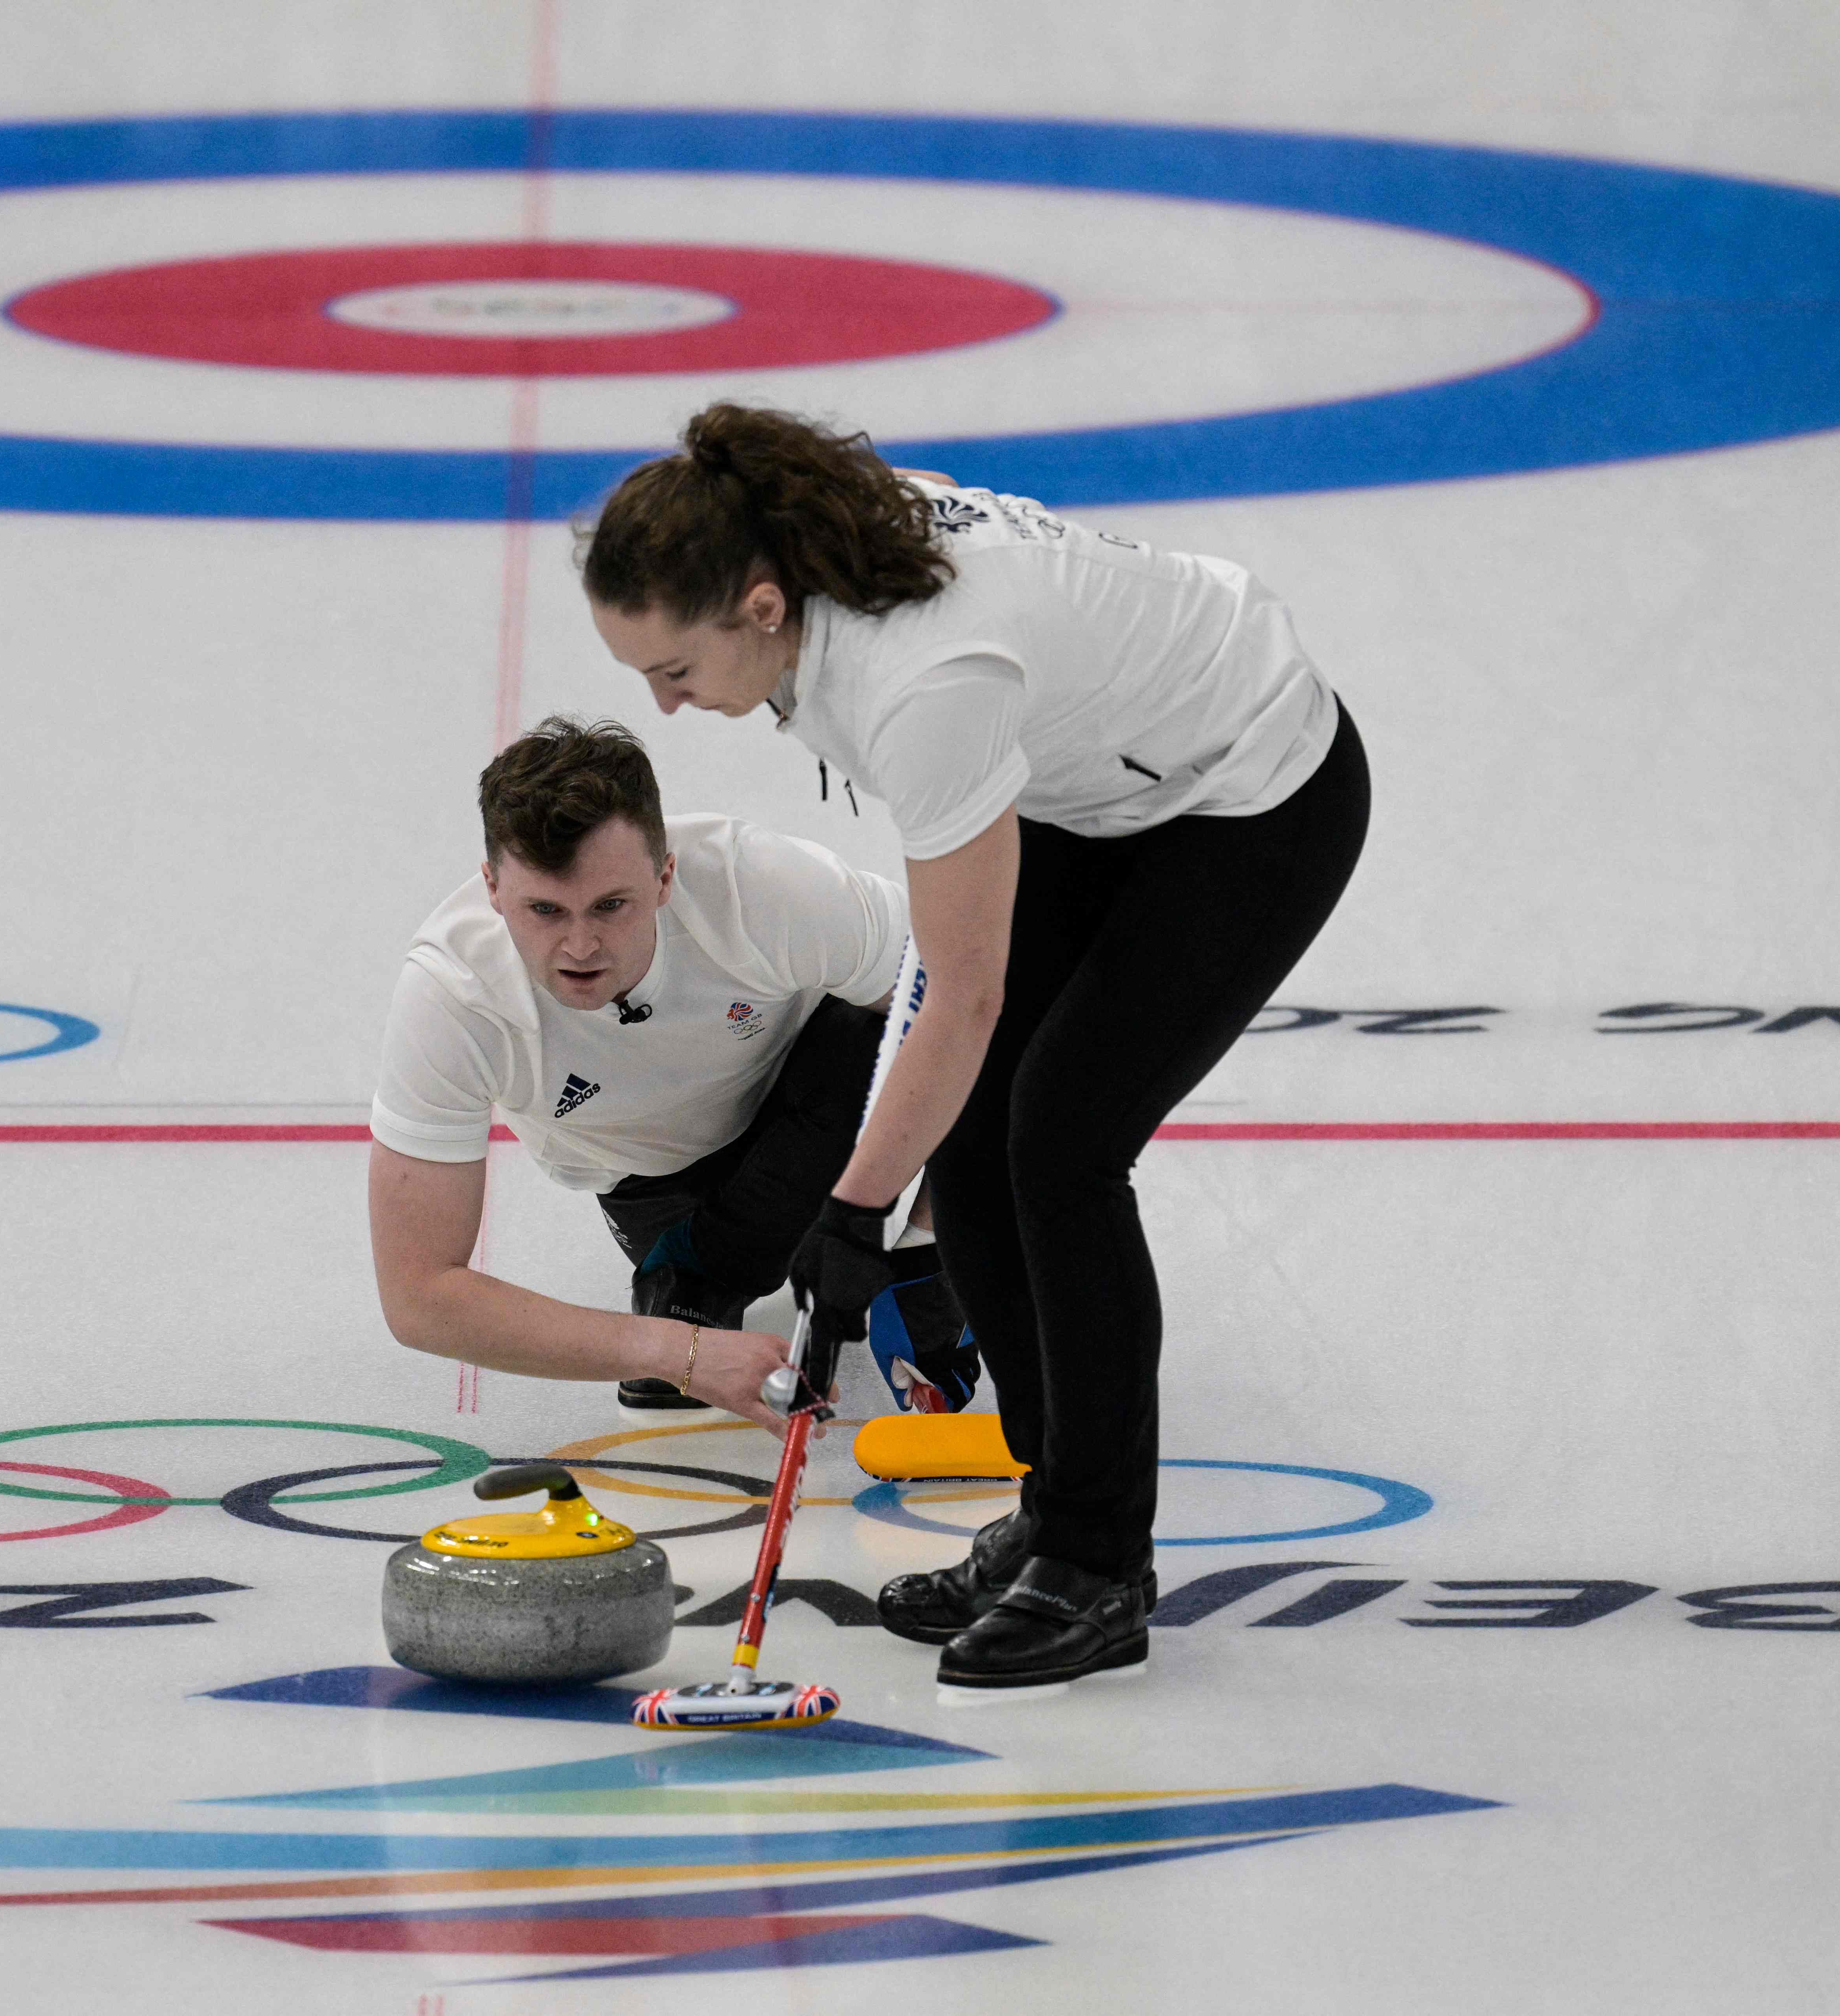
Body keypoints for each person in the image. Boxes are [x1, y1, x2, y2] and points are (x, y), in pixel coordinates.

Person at [580, 404, 1370, 1692]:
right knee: (976, 1136)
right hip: (1093, 781)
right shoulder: (808, 559)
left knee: (1058, 1146)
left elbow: (961, 992)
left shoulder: (921, 683)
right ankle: (1051, 1507)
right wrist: (874, 1190)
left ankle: (1098, 1560)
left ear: (762, 607)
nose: (663, 703)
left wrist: (851, 1212)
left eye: (670, 667)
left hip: (1251, 793)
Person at [367, 715, 975, 1433]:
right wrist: (673, 1352)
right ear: (493, 889)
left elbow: (978, 1003)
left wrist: (930, 1241)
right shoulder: (453, 994)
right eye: (545, 911)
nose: (580, 945)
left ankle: (851, 1247)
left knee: (894, 1023)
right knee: (705, 1292)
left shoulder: (760, 887)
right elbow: (418, 1297)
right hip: (654, 1190)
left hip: (825, 1107)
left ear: (664, 876)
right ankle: (700, 1271)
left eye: (610, 906)